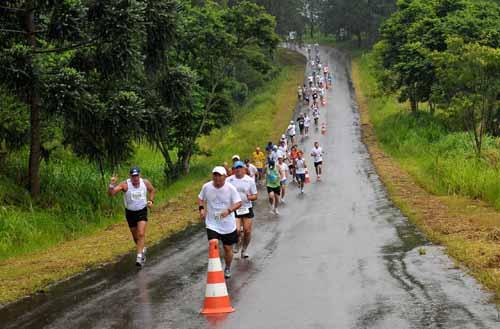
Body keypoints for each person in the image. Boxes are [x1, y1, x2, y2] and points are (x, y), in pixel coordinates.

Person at [198, 166, 242, 278]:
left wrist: (229, 210)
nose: (217, 178)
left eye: (219, 175)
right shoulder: (206, 187)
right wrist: (201, 209)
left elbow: (238, 203)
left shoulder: (230, 188)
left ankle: (227, 267)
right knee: (214, 243)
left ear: (224, 177)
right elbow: (200, 198)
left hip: (227, 223)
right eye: (215, 175)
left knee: (227, 249)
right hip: (212, 222)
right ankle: (215, 267)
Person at [108, 167, 156, 267]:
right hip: (130, 213)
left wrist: (151, 201)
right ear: (130, 176)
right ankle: (142, 249)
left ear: (140, 175)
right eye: (133, 176)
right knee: (135, 237)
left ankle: (139, 257)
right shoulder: (125, 184)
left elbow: (152, 190)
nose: (135, 178)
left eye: (137, 176)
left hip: (142, 211)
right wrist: (112, 184)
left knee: (141, 233)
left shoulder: (145, 182)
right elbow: (111, 194)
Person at [227, 161, 258, 258]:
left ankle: (244, 250)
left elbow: (255, 196)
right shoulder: (229, 180)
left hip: (246, 208)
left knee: (247, 231)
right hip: (235, 208)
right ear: (234, 170)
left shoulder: (249, 180)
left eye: (240, 167)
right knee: (236, 230)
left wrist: (249, 197)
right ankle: (237, 242)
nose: (238, 169)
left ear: (244, 169)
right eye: (236, 168)